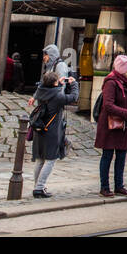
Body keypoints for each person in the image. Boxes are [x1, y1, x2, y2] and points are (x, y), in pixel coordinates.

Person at [94, 54, 127, 197]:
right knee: (107, 155)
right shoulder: (111, 82)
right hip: (110, 126)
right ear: (123, 69)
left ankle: (119, 186)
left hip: (122, 125)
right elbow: (108, 105)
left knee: (121, 156)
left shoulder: (126, 82)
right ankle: (104, 187)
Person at [30, 69, 78, 198]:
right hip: (52, 131)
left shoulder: (41, 92)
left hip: (40, 130)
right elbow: (73, 97)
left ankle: (37, 186)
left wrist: (60, 84)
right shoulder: (57, 96)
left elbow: (51, 90)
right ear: (54, 84)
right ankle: (40, 187)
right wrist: (74, 84)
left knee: (40, 160)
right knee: (50, 160)